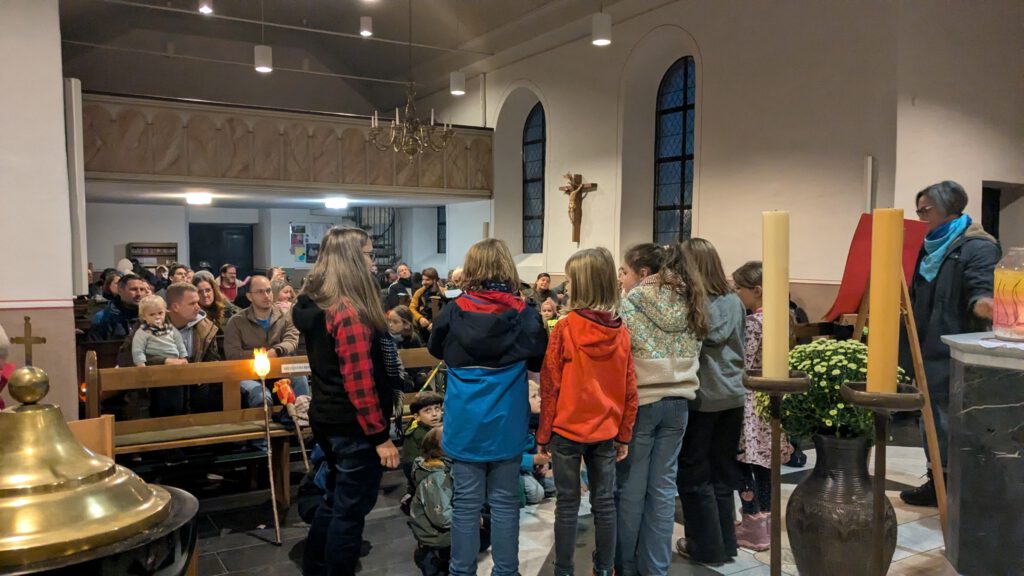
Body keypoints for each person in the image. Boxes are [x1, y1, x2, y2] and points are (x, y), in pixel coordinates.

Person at [427, 238, 547, 576]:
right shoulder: (525, 315)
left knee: (465, 505)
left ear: (473, 269)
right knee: (506, 503)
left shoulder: (453, 311)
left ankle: (461, 571)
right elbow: (539, 357)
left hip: (465, 421)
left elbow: (436, 350)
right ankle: (506, 571)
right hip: (506, 423)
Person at [292, 227, 403, 576]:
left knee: (336, 500)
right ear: (353, 259)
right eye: (369, 254)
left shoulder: (320, 304)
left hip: (329, 416)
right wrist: (379, 436)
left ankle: (316, 566)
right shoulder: (348, 311)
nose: (374, 261)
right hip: (353, 424)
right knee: (350, 511)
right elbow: (359, 383)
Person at [536, 246, 638, 576]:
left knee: (567, 506)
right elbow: (629, 389)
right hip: (606, 430)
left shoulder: (565, 327)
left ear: (578, 284)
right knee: (604, 504)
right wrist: (624, 434)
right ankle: (604, 569)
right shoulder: (620, 330)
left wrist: (543, 434)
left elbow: (550, 385)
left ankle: (563, 571)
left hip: (567, 430)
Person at [899, 180, 1000, 507]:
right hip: (928, 349)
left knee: (950, 423)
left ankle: (956, 490)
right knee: (929, 421)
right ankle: (936, 482)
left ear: (948, 207)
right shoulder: (931, 246)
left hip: (954, 352)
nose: (921, 216)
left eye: (925, 209)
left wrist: (988, 306)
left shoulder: (977, 246)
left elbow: (981, 292)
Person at [615, 243, 707, 576]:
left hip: (643, 401)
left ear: (642, 273)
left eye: (623, 272)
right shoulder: (690, 297)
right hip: (679, 401)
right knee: (664, 488)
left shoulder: (632, 301)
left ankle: (625, 565)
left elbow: (622, 351)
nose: (621, 280)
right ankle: (655, 568)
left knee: (632, 489)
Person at [675, 238, 747, 566]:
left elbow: (711, 335)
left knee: (694, 475)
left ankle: (706, 547)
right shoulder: (733, 298)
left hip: (707, 396)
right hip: (731, 395)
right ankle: (725, 544)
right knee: (721, 474)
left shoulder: (707, 301)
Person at [731, 260, 792, 551]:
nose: (737, 294)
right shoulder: (783, 318)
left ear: (756, 290)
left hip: (751, 401)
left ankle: (752, 527)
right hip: (771, 400)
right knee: (766, 464)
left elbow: (743, 362)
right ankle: (765, 522)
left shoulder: (754, 323)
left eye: (738, 289)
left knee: (745, 463)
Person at [116, 282, 222, 416]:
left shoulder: (205, 328)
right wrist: (163, 361)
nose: (198, 307)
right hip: (154, 391)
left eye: (197, 302)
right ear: (175, 307)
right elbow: (127, 357)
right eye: (192, 303)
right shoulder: (148, 325)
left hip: (195, 390)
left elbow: (213, 362)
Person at [223, 275, 303, 407]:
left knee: (300, 380)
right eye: (260, 292)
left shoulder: (286, 316)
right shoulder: (236, 321)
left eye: (268, 290)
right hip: (248, 373)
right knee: (261, 396)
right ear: (249, 296)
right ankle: (261, 426)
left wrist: (276, 351)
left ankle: (302, 421)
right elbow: (233, 354)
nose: (266, 295)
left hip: (279, 370)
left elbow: (291, 341)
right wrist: (262, 356)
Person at [402, 392, 446, 512]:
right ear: (417, 416)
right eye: (427, 411)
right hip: (420, 470)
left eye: (437, 408)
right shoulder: (421, 433)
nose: (434, 414)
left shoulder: (425, 427)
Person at [131, 295, 187, 367]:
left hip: (175, 361)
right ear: (144, 317)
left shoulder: (170, 328)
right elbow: (138, 349)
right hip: (154, 363)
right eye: (152, 314)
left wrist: (183, 357)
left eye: (160, 313)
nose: (157, 317)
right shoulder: (142, 332)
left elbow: (180, 343)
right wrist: (141, 364)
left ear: (165, 312)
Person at [88, 273, 147, 341]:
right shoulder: (103, 318)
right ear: (120, 291)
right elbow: (96, 347)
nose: (139, 294)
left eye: (142, 289)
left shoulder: (152, 315)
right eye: (133, 289)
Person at [522, 380, 554, 504]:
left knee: (558, 486)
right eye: (534, 396)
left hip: (532, 471)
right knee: (536, 492)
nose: (540, 399)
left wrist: (544, 464)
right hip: (516, 471)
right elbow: (511, 459)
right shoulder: (515, 426)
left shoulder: (537, 424)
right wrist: (533, 460)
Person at [410, 268, 441, 337]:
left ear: (435, 280)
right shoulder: (419, 292)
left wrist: (436, 323)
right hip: (423, 327)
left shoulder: (443, 292)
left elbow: (447, 312)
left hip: (439, 328)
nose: (423, 282)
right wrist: (419, 318)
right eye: (423, 279)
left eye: (427, 280)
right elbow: (411, 308)